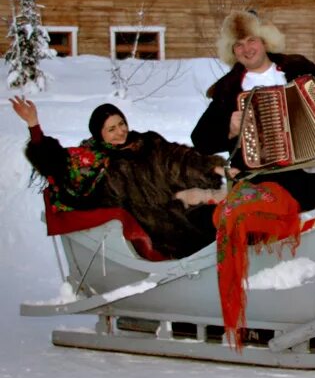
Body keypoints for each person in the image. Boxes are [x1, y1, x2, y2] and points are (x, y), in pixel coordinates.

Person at [191, 10, 315, 211]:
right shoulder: (228, 88)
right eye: (238, 45)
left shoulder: (296, 66)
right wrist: (230, 128)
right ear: (232, 51)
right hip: (277, 177)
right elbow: (200, 140)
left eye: (252, 40)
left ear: (265, 41)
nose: (247, 49)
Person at [11, 97, 233, 259]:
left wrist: (213, 168)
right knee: (196, 241)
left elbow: (177, 158)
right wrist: (34, 126)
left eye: (121, 124)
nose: (120, 132)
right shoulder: (96, 160)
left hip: (178, 208)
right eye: (111, 130)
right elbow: (55, 161)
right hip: (151, 224)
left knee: (221, 220)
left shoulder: (147, 143)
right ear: (100, 134)